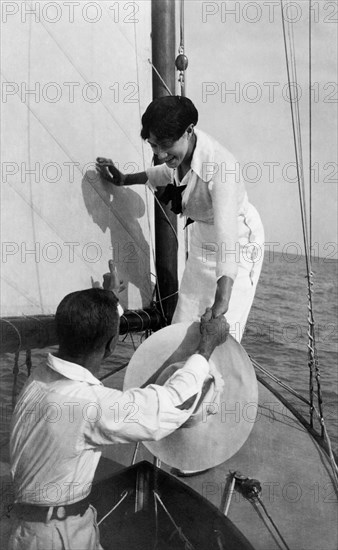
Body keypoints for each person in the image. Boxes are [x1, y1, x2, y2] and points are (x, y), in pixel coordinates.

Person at [9, 262, 229, 550]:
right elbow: (168, 405)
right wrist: (206, 347)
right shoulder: (88, 406)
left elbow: (89, 328)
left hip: (35, 528)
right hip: (55, 538)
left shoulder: (39, 376)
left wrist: (109, 298)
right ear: (113, 345)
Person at [96, 96, 264, 342]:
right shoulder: (180, 154)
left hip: (237, 243)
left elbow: (227, 242)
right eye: (153, 145)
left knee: (217, 332)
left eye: (165, 144)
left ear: (189, 131)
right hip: (202, 237)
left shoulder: (222, 167)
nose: (161, 153)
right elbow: (162, 173)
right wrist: (123, 179)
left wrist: (223, 301)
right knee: (184, 323)